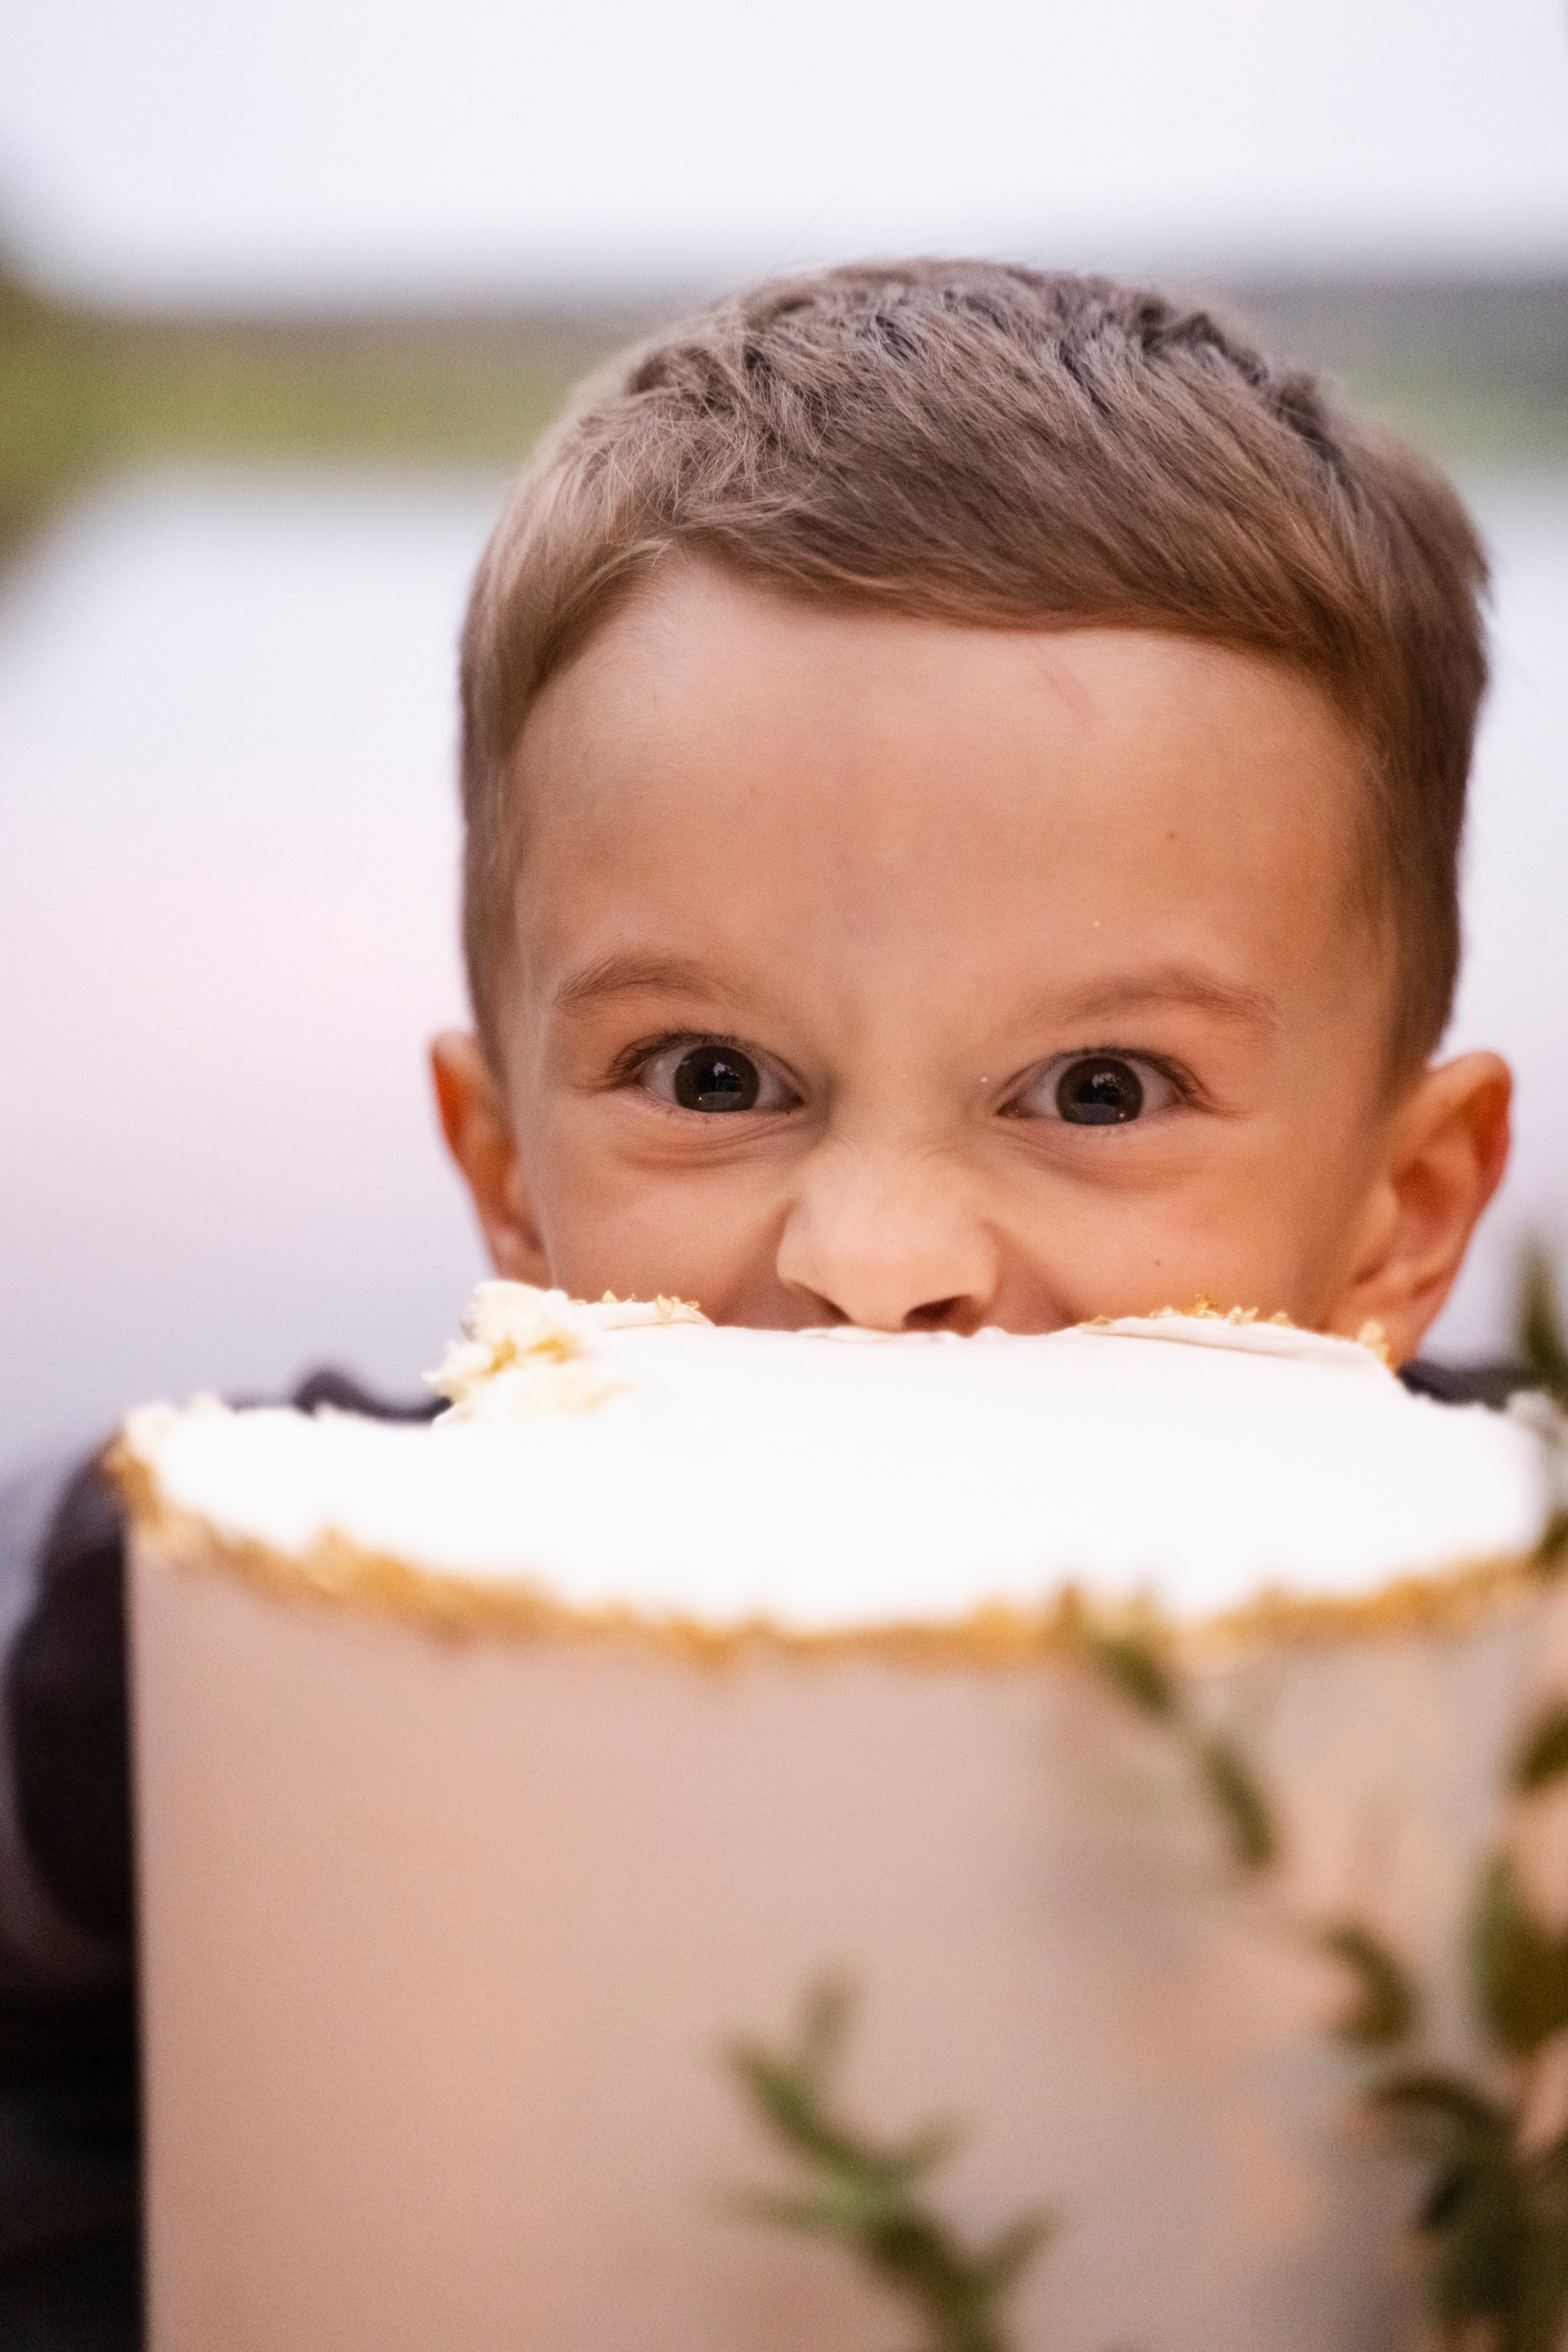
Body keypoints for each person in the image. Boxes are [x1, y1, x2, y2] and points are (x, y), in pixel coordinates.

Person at [0, 258, 1521, 2342]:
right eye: (714, 1080)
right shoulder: (238, 1624)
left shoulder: (1515, 1660)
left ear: (1400, 1216)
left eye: (1100, 1090)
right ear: (509, 1173)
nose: (876, 1263)